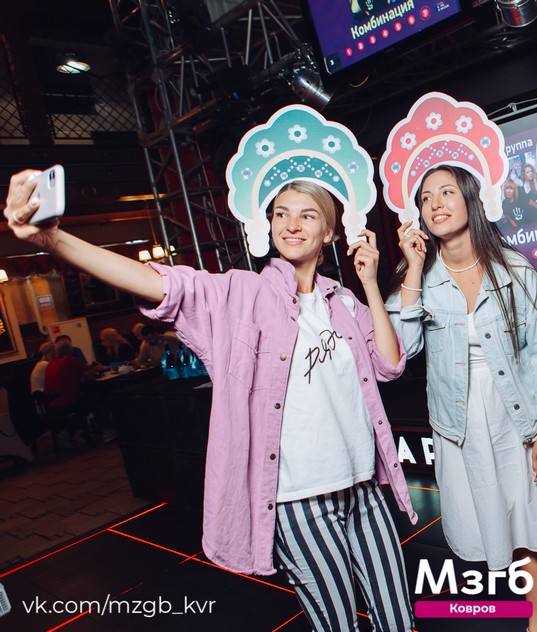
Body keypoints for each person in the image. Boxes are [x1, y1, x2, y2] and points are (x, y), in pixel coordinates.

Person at [5, 173, 417, 632]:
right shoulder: (241, 294)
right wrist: (52, 239)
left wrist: (370, 284)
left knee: (397, 616)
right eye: (281, 214)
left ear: (329, 232)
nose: (291, 225)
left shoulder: (342, 301)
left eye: (307, 215)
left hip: (362, 487)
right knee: (338, 623)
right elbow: (160, 283)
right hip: (298, 498)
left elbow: (389, 365)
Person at [387, 165, 537, 632]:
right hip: (461, 424)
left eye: (446, 192)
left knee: (534, 522)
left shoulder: (513, 269)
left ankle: (536, 624)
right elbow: (403, 350)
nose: (435, 204)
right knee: (501, 522)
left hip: (518, 414)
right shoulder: (420, 276)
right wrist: (413, 269)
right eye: (425, 198)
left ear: (471, 200)